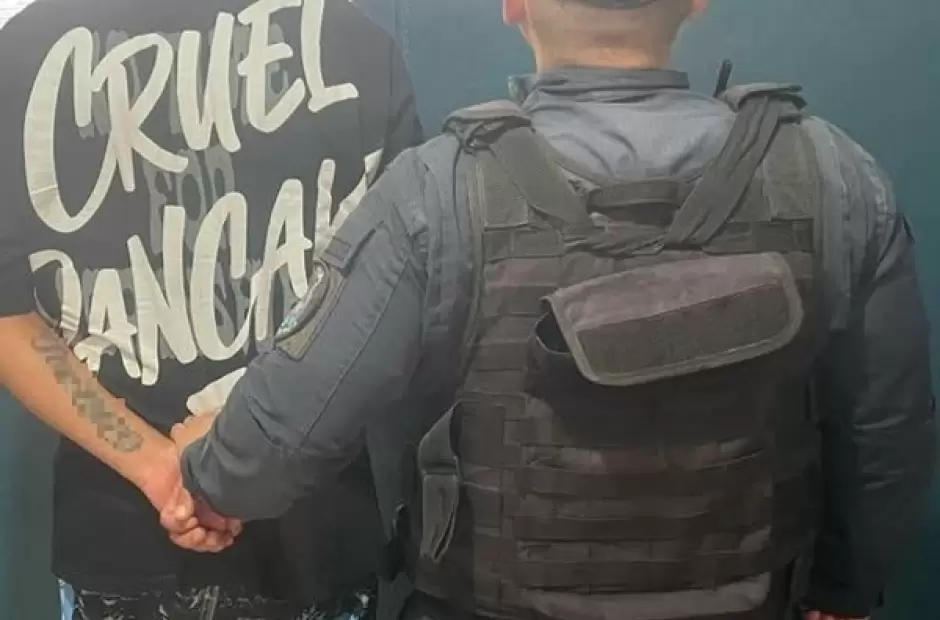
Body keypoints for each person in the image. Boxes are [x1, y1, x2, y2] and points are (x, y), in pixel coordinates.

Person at [162, 1, 937, 619]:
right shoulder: (832, 177)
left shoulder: (435, 195)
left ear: (514, 5)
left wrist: (209, 473)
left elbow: (273, 449)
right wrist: (846, 588)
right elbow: (889, 430)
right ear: (696, 1)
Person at [0, 0, 423, 617]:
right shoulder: (355, 43)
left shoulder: (22, 51)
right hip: (311, 528)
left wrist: (160, 468)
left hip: (124, 535)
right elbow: (393, 309)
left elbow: (9, 318)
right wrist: (240, 453)